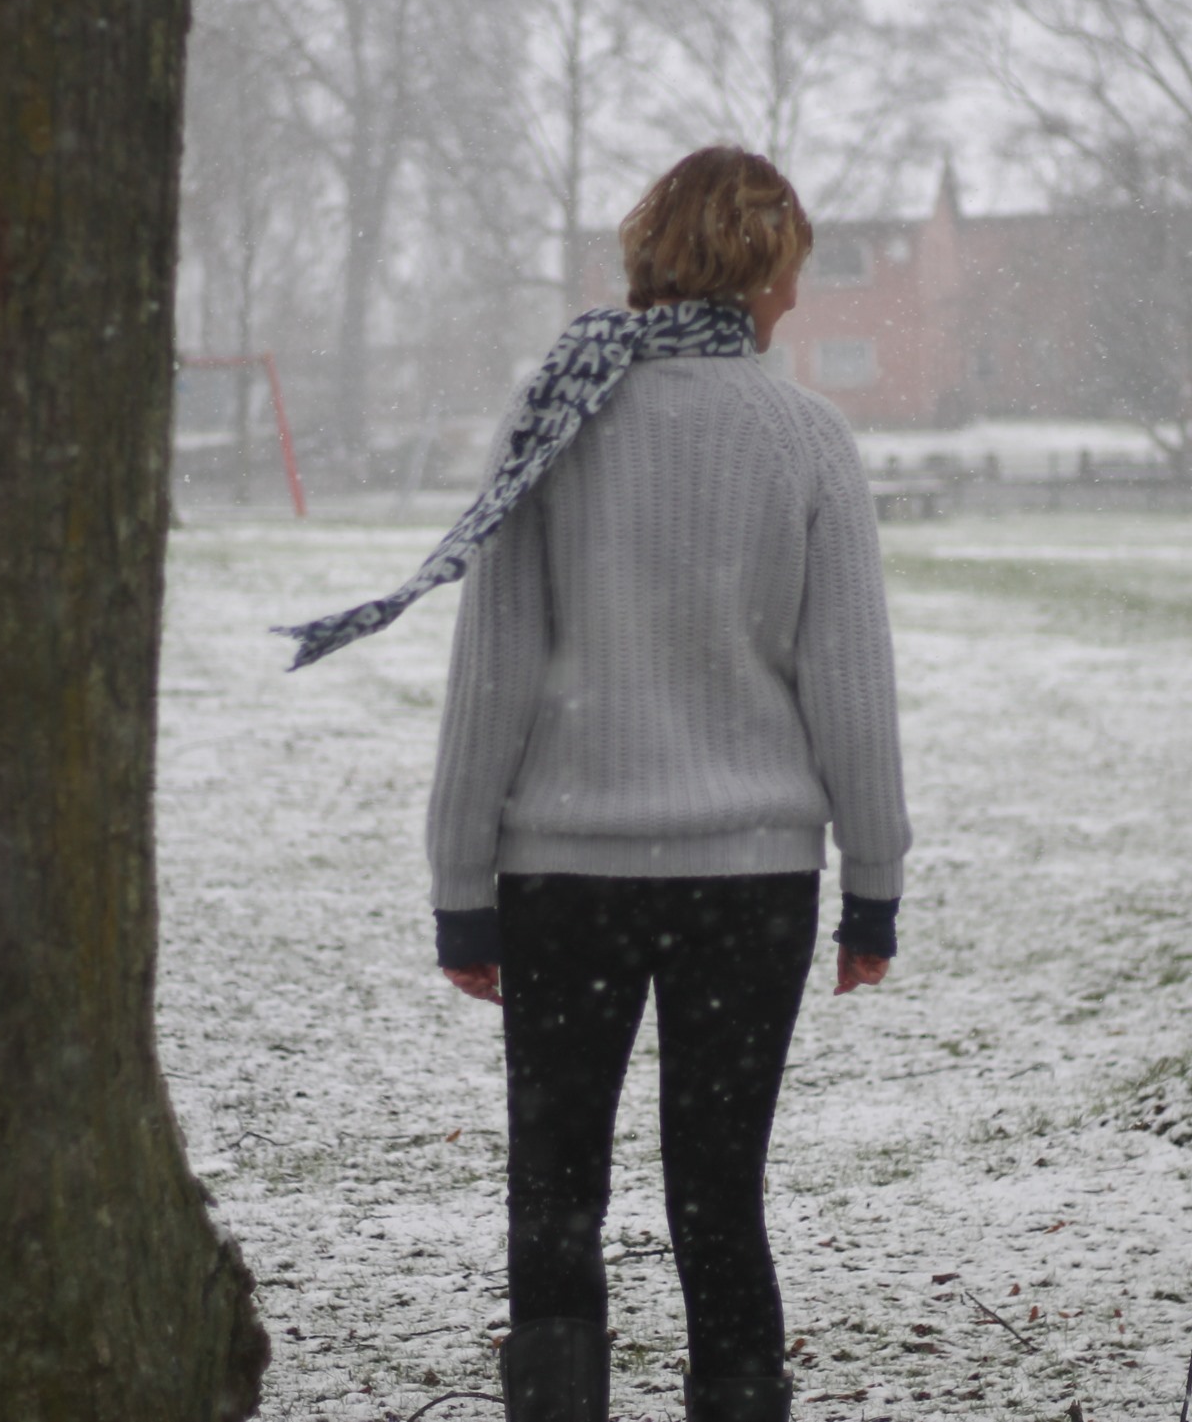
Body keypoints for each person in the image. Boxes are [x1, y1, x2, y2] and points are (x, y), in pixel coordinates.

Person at [282, 145, 907, 1422]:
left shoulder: (557, 411)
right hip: (753, 879)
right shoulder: (806, 436)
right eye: (792, 269)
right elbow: (849, 684)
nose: (795, 298)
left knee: (554, 1183)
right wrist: (874, 891)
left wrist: (464, 884)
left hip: (564, 875)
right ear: (763, 268)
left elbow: (495, 667)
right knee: (720, 1188)